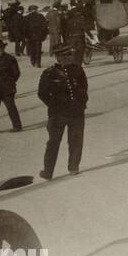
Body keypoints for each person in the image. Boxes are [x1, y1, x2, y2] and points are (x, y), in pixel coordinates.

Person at [38, 44, 88, 178]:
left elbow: (84, 88)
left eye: (69, 55)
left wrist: (81, 104)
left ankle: (74, 167)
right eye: (65, 56)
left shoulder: (78, 70)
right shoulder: (49, 73)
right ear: (58, 57)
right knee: (53, 142)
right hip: (57, 114)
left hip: (76, 112)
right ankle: (48, 171)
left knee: (76, 140)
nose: (69, 58)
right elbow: (42, 93)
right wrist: (54, 105)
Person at [0, 37, 23, 133]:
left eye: (0, 48)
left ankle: (17, 126)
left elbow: (16, 73)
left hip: (7, 88)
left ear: (3, 48)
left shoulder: (10, 59)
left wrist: (10, 81)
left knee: (11, 107)